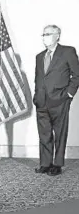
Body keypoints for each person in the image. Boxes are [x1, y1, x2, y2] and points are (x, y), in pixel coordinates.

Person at [34, 25, 79, 176]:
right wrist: (36, 96)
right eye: (43, 34)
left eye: (48, 34)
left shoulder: (68, 52)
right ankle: (45, 164)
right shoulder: (40, 56)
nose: (44, 37)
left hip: (60, 100)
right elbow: (38, 79)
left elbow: (76, 75)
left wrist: (69, 95)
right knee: (44, 134)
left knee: (60, 134)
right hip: (41, 102)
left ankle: (57, 164)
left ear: (57, 36)